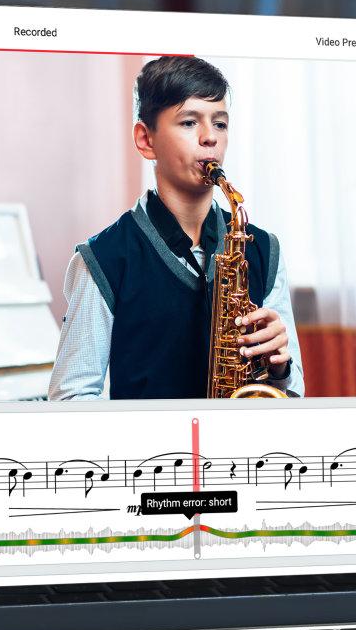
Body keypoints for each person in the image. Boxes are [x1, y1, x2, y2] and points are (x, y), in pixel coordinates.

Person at [49, 55, 304, 400]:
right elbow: (71, 396)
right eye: (188, 122)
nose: (209, 138)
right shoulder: (102, 259)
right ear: (146, 140)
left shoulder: (262, 248)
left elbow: (294, 393)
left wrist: (279, 369)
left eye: (220, 123)